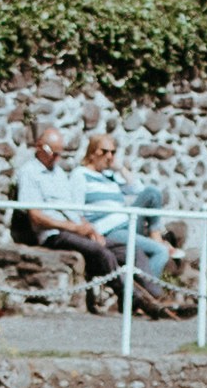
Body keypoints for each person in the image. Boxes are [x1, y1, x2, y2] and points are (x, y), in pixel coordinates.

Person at [77, 126, 183, 317]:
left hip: (127, 222)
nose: (109, 156)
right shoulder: (81, 175)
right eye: (104, 152)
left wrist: (120, 168)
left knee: (152, 193)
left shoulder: (110, 177)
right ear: (92, 153)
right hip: (109, 228)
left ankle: (155, 236)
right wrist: (90, 231)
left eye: (113, 152)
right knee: (159, 251)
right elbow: (76, 207)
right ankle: (151, 298)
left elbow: (137, 189)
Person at [8, 122, 125, 295]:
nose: (56, 158)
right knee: (102, 253)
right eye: (53, 153)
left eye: (59, 154)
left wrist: (90, 229)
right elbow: (36, 216)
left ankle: (155, 295)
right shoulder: (30, 172)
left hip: (74, 229)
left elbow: (73, 209)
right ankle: (132, 298)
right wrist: (73, 227)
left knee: (126, 250)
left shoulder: (59, 173)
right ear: (40, 148)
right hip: (54, 234)